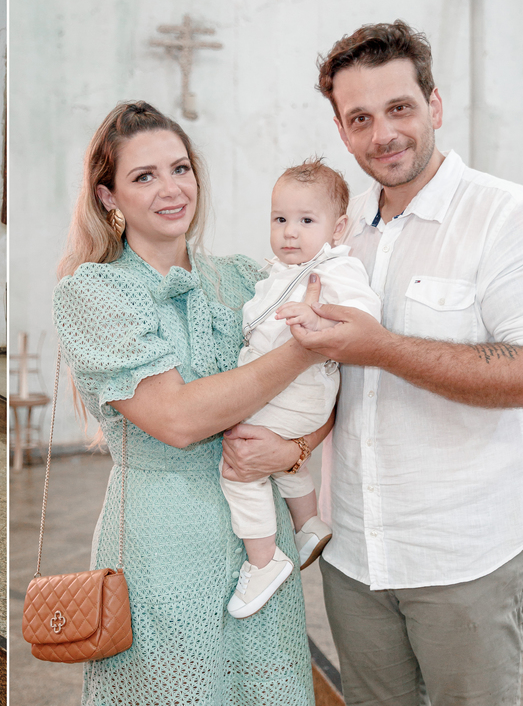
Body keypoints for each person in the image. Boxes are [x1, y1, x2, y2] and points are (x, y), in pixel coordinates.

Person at [273, 21, 523, 706]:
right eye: (360, 118)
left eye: (399, 108)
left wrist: (382, 348)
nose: (383, 134)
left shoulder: (506, 217)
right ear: (342, 130)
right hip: (355, 558)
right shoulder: (339, 241)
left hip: (465, 555)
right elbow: (331, 382)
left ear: (434, 106)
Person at [51, 101, 333, 705]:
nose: (171, 189)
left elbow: (330, 379)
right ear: (109, 197)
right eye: (144, 176)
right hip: (161, 539)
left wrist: (293, 447)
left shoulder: (242, 277)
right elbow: (176, 420)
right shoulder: (93, 291)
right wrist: (305, 348)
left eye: (180, 169)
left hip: (260, 542)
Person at [222, 158, 381, 619]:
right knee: (275, 456)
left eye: (306, 221)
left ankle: (263, 560)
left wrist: (318, 320)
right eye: (280, 219)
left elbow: (365, 316)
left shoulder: (332, 269)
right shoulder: (281, 271)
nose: (290, 232)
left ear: (338, 227)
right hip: (293, 392)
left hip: (301, 389)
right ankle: (308, 523)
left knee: (241, 464)